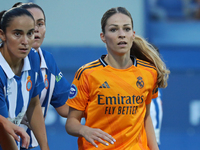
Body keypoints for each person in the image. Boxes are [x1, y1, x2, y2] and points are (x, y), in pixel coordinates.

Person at [65, 6, 170, 150]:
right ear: (103, 36)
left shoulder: (149, 72)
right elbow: (71, 122)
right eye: (114, 30)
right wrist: (84, 130)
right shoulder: (87, 74)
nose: (121, 34)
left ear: (133, 34)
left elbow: (146, 117)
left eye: (126, 29)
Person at [12, 2, 71, 149]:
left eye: (40, 23)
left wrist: (103, 104)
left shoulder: (46, 60)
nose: (36, 29)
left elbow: (65, 107)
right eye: (30, 23)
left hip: (26, 145)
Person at [0, 7, 49, 150]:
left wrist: (45, 147)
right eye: (17, 34)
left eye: (30, 33)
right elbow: (3, 129)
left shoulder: (32, 58)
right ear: (2, 35)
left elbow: (33, 104)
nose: (25, 41)